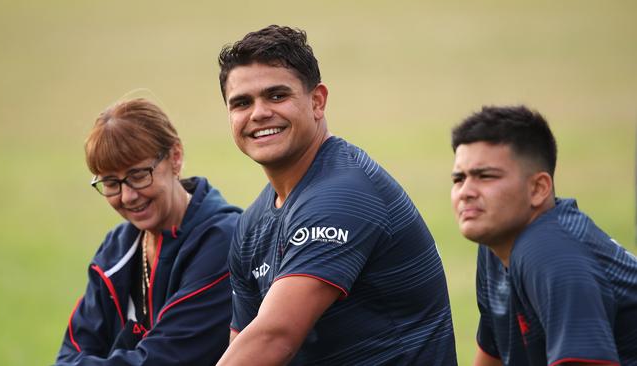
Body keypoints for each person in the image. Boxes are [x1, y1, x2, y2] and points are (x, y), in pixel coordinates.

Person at [215, 25, 457, 365]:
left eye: (276, 96)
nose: (258, 113)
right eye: (241, 103)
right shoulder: (252, 224)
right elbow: (247, 344)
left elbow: (275, 335)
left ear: (317, 101)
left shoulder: (344, 196)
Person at [55, 98, 242, 365]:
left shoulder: (224, 241)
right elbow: (69, 354)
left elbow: (164, 359)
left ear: (175, 157)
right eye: (111, 183)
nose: (128, 196)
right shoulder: (117, 248)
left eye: (139, 175)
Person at [450, 105, 637, 366]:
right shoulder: (496, 248)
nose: (466, 192)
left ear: (538, 188)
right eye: (458, 179)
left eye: (485, 176)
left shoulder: (552, 253)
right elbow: (492, 356)